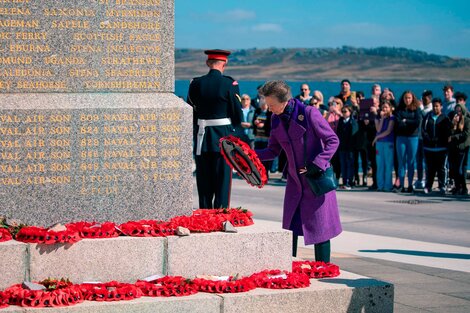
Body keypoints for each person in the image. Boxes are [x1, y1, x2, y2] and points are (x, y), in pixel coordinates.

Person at [255, 81, 342, 262]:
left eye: (271, 105)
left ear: (284, 100)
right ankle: (289, 269)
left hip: (315, 180)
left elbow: (333, 140)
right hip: (295, 183)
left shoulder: (309, 113)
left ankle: (323, 269)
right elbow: (272, 151)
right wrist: (249, 155)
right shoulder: (276, 119)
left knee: (321, 230)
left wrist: (318, 163)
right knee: (290, 229)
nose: (269, 109)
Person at [187, 49, 242, 208]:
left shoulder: (195, 84)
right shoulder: (229, 84)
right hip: (223, 139)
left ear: (207, 63)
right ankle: (221, 214)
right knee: (223, 181)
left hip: (202, 138)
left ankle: (205, 214)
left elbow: (192, 111)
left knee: (204, 181)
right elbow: (237, 115)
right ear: (225, 63)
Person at [395, 91, 423, 193]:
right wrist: (407, 122)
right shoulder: (399, 109)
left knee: (411, 162)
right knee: (401, 162)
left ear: (412, 98)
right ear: (403, 98)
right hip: (401, 138)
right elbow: (397, 123)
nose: (407, 100)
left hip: (413, 138)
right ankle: (402, 185)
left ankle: (410, 184)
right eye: (406, 98)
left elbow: (417, 122)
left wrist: (405, 121)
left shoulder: (417, 109)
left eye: (409, 98)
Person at [422, 98, 451, 195]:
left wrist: (439, 140)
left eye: (437, 106)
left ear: (441, 107)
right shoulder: (427, 117)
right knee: (430, 169)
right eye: (434, 106)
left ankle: (442, 186)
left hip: (441, 148)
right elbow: (423, 130)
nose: (435, 108)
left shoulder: (445, 118)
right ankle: (428, 186)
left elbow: (447, 132)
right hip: (429, 148)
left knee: (442, 168)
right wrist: (428, 139)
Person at [373, 101, 395, 191]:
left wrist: (377, 137)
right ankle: (380, 185)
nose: (384, 109)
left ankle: (388, 185)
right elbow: (378, 129)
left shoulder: (392, 118)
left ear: (390, 108)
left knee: (388, 164)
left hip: (388, 143)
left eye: (386, 107)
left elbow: (388, 131)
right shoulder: (378, 118)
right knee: (380, 164)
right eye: (383, 108)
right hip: (379, 144)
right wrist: (382, 118)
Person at [448, 103, 470, 196]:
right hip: (454, 147)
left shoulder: (467, 120)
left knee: (459, 169)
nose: (458, 112)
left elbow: (465, 134)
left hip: (463, 147)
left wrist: (453, 137)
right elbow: (451, 131)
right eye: (456, 110)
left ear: (463, 111)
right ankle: (458, 187)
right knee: (454, 168)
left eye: (460, 110)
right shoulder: (454, 120)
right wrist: (454, 124)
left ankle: (463, 187)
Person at [414, 90, 433, 190]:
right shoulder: (421, 108)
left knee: (426, 161)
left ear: (430, 99)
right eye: (422, 99)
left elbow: (426, 115)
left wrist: (421, 108)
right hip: (419, 137)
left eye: (425, 99)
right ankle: (419, 179)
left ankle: (426, 180)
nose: (423, 101)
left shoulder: (430, 109)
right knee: (419, 160)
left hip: (426, 139)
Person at [337, 106, 358, 190]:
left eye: (345, 111)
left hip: (350, 148)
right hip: (342, 147)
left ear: (350, 112)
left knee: (350, 165)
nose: (344, 113)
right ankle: (344, 182)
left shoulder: (353, 122)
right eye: (342, 111)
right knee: (343, 165)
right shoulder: (341, 121)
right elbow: (338, 133)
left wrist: (352, 146)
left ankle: (350, 182)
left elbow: (354, 134)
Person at [253, 98, 273, 179]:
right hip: (258, 137)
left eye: (264, 105)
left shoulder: (270, 113)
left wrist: (264, 125)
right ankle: (259, 174)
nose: (263, 107)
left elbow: (271, 124)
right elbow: (253, 121)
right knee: (257, 156)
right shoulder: (257, 111)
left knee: (265, 157)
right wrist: (255, 123)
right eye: (261, 105)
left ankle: (265, 174)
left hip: (266, 137)